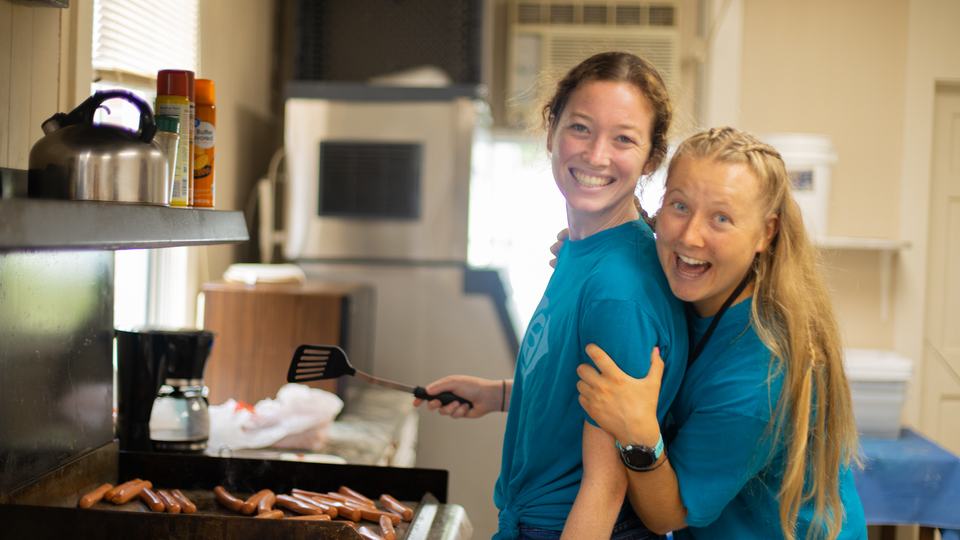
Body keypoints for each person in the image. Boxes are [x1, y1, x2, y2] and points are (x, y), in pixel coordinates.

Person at [414, 51, 688, 539]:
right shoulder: (583, 252)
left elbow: (605, 488)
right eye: (581, 128)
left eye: (623, 139)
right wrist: (501, 396)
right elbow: (579, 396)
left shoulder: (617, 290)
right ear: (551, 132)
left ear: (650, 159)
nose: (596, 154)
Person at [574, 127, 867, 539]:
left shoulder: (760, 374)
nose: (691, 236)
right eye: (679, 206)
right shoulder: (696, 292)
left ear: (766, 232)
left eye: (722, 218)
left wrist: (638, 434)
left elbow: (668, 514)